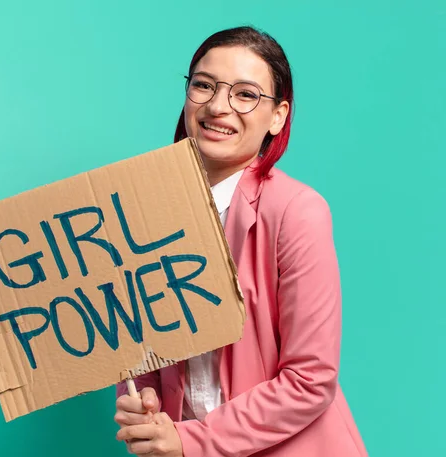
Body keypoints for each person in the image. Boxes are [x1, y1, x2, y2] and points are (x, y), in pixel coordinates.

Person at [114, 25, 368, 457]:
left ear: (278, 115)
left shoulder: (297, 212)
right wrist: (146, 402)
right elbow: (142, 345)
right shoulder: (147, 215)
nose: (218, 106)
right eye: (204, 85)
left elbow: (310, 379)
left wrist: (192, 439)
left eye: (246, 94)